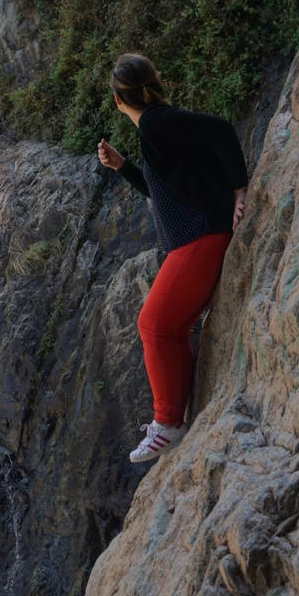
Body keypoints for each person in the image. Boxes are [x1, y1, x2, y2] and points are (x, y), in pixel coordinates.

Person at [98, 53, 248, 464]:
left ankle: (167, 424)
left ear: (117, 100)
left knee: (154, 325)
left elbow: (220, 129)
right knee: (171, 329)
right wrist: (123, 166)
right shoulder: (157, 127)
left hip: (202, 236)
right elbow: (163, 191)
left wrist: (240, 189)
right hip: (197, 236)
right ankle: (172, 422)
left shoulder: (154, 122)